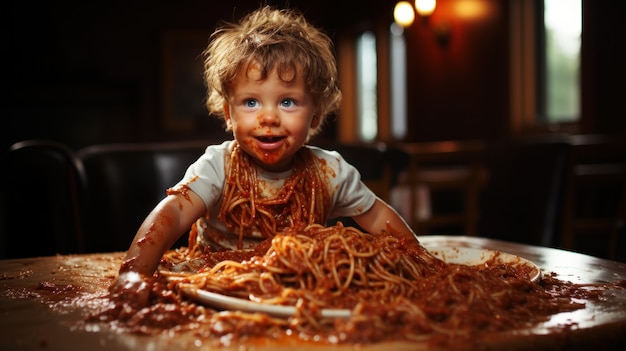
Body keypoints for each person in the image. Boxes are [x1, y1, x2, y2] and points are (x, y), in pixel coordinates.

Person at [110, 6, 427, 308]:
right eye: (251, 103)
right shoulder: (217, 167)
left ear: (315, 116)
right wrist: (134, 273)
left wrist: (421, 261)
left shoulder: (330, 172)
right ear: (228, 114)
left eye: (288, 102)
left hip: (299, 295)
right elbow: (173, 215)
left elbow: (376, 215)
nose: (269, 118)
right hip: (213, 290)